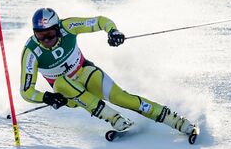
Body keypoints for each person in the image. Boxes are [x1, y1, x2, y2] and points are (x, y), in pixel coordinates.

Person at [19, 7, 198, 135]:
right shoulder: (31, 52)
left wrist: (112, 31)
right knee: (61, 82)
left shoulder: (68, 27)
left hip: (86, 73)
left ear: (57, 28)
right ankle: (113, 118)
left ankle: (177, 121)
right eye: (40, 36)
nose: (45, 40)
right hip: (68, 94)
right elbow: (26, 91)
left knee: (122, 98)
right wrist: (47, 97)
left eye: (49, 34)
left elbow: (99, 21)